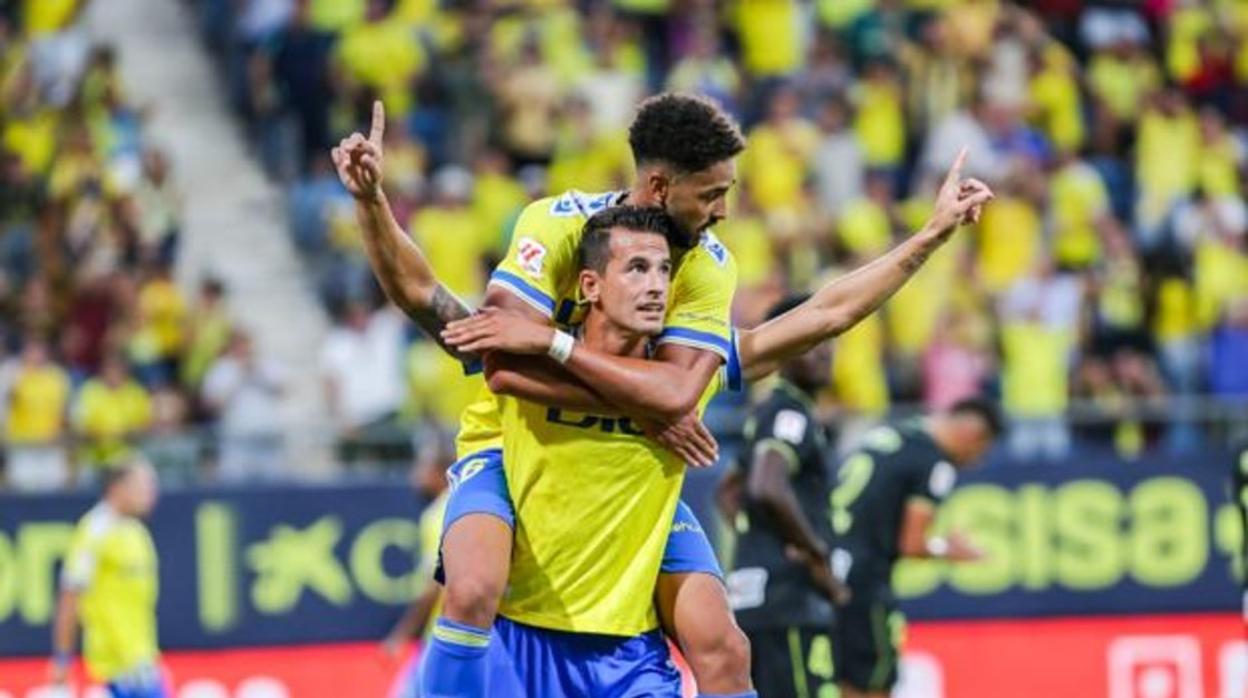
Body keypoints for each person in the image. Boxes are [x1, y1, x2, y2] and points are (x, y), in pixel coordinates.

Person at [333, 96, 992, 698]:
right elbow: (495, 359)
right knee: (472, 589)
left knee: (724, 648)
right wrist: (372, 203)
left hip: (632, 475)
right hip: (513, 453)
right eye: (710, 194)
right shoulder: (559, 227)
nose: (723, 213)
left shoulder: (705, 261)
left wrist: (927, 239)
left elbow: (799, 327)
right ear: (657, 186)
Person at [828, 399, 1003, 698]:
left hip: (827, 566)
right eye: (980, 451)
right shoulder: (934, 463)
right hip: (865, 577)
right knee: (873, 680)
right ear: (972, 433)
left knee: (837, 676)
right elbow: (912, 543)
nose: (974, 461)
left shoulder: (893, 434)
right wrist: (947, 549)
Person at [716, 295, 844, 698]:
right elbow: (766, 485)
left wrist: (757, 538)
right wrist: (812, 550)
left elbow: (729, 492)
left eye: (829, 341)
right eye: (812, 342)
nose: (825, 353)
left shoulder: (767, 412)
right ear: (784, 347)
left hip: (755, 596)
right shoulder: (792, 413)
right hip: (787, 600)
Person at [51, 458, 165, 698]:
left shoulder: (137, 532)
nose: (151, 493)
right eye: (143, 485)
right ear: (117, 488)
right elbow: (70, 595)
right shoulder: (95, 531)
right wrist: (62, 658)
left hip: (141, 661)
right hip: (111, 667)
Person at [383, 429, 455, 698]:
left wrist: (401, 635)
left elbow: (434, 583)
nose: (415, 475)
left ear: (439, 471)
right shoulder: (468, 503)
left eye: (422, 467)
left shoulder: (438, 514)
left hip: (442, 636)